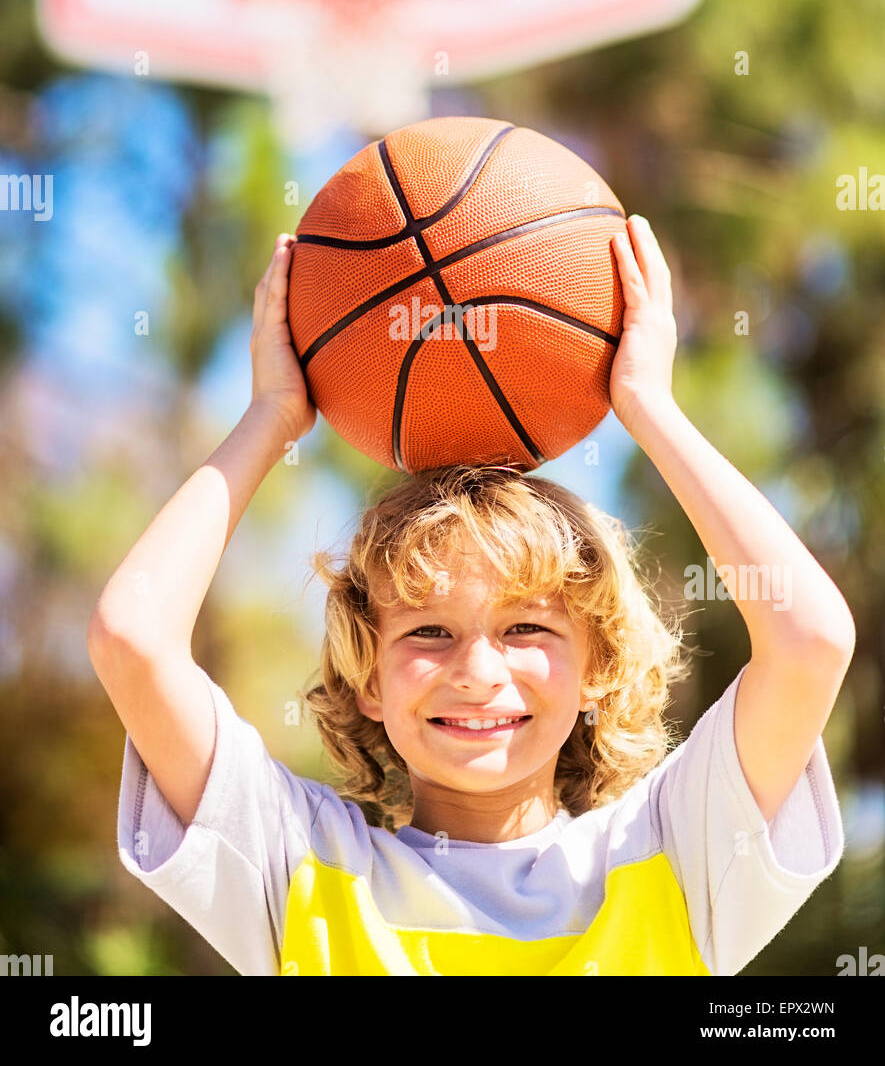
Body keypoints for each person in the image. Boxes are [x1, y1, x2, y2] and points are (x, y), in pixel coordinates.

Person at [88, 217, 854, 976]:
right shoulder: (301, 867)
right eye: (427, 633)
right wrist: (272, 416)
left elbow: (810, 642)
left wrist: (649, 407)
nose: (477, 672)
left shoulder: (671, 853)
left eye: (525, 627)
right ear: (368, 682)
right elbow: (132, 637)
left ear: (598, 666)